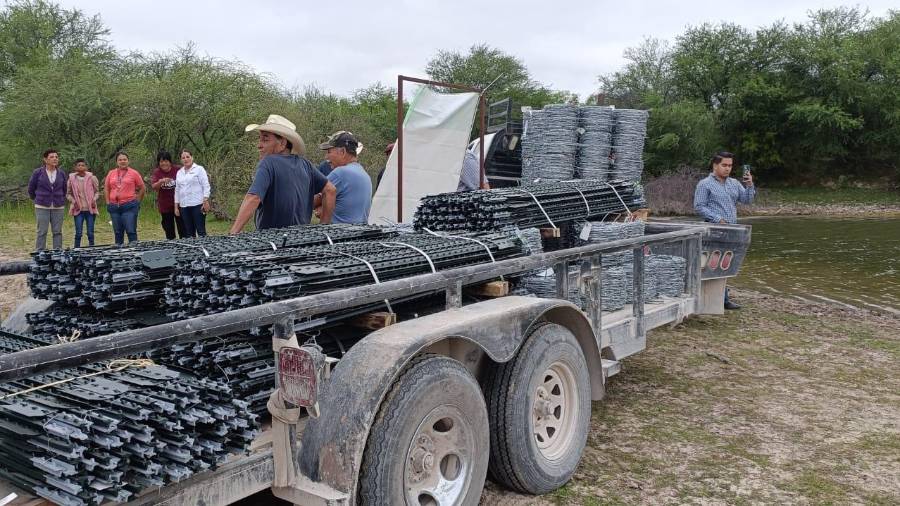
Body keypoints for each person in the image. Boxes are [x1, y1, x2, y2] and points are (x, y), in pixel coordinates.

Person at [230, 114, 336, 233]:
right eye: (259, 139)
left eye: (265, 139)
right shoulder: (305, 164)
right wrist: (324, 227)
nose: (259, 145)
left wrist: (233, 233)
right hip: (301, 241)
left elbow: (253, 198)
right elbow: (330, 190)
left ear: (282, 144)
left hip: (272, 242)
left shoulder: (268, 162)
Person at [693, 151, 755, 310]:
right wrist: (717, 219)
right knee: (711, 264)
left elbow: (747, 200)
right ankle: (717, 299)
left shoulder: (734, 183)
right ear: (715, 165)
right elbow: (699, 206)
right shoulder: (705, 184)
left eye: (730, 165)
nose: (727, 168)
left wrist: (749, 185)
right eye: (724, 165)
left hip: (731, 230)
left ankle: (723, 298)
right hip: (713, 230)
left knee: (727, 263)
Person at [316, 131, 372, 224]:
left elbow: (313, 201)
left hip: (339, 235)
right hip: (359, 235)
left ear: (342, 152)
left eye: (329, 152)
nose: (326, 157)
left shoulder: (340, 173)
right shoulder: (365, 175)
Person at [27, 149, 68, 250]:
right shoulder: (37, 172)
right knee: (42, 231)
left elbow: (64, 189)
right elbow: (31, 188)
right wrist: (36, 199)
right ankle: (40, 253)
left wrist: (61, 199)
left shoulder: (61, 173)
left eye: (56, 157)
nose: (55, 159)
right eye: (52, 157)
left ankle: (57, 253)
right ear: (45, 159)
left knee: (57, 231)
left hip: (58, 206)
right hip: (42, 205)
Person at [104, 151, 145, 246]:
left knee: (130, 230)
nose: (122, 161)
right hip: (114, 206)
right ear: (116, 162)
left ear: (128, 161)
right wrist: (108, 203)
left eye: (125, 159)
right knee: (118, 232)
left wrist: (137, 202)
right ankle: (119, 255)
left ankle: (134, 253)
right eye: (120, 160)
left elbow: (142, 188)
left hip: (129, 206)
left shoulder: (134, 173)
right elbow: (106, 188)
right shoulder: (111, 173)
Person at [174, 149, 211, 238]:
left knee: (201, 230)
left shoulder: (199, 169)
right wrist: (176, 207)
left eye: (187, 157)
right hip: (184, 206)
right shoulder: (179, 172)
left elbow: (206, 185)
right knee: (189, 233)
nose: (185, 159)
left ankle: (205, 249)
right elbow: (177, 190)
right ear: (181, 160)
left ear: (192, 157)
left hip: (197, 205)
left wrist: (205, 200)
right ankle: (193, 250)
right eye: (183, 158)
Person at [150, 151, 185, 240]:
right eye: (161, 162)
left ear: (170, 162)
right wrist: (160, 181)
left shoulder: (178, 170)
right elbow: (154, 186)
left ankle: (185, 246)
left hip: (179, 204)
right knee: (168, 229)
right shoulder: (157, 172)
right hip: (165, 205)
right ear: (159, 163)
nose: (164, 163)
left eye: (166, 161)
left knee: (183, 228)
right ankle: (172, 246)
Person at [65, 158, 99, 247]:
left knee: (90, 232)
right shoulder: (71, 179)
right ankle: (77, 250)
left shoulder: (92, 178)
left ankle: (92, 249)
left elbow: (97, 192)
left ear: (86, 167)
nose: (81, 167)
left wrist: (94, 200)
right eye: (78, 165)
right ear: (75, 167)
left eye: (83, 165)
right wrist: (73, 201)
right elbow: (68, 194)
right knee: (78, 233)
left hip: (90, 209)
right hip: (78, 209)